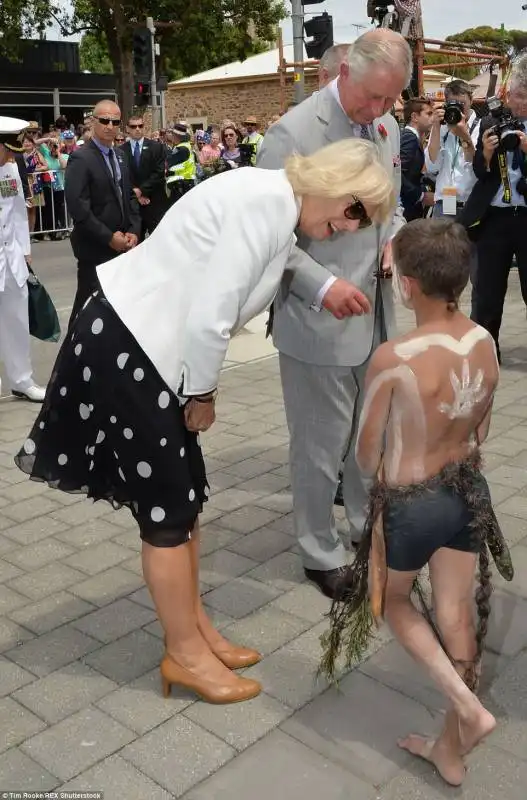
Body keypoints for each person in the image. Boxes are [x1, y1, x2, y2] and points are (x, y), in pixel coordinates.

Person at [15, 138, 394, 705]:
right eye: (356, 209)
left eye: (365, 220)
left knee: (184, 500)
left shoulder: (274, 201)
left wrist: (322, 287)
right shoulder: (269, 204)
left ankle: (194, 631)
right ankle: (183, 652)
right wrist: (204, 394)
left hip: (146, 347)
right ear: (334, 184)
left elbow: (274, 262)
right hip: (136, 346)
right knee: (168, 509)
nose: (352, 226)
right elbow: (213, 313)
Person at [321, 218, 511, 786]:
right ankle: (449, 748)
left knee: (394, 602)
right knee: (455, 617)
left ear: (406, 285)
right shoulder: (483, 340)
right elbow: (481, 430)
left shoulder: (394, 356)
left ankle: (468, 708)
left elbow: (364, 452)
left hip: (410, 502)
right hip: (465, 490)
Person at [257, 28, 409, 599]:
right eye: (371, 97)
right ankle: (318, 550)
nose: (379, 111)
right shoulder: (293, 134)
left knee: (368, 438)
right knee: (320, 445)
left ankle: (365, 525)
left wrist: (393, 240)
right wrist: (323, 287)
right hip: (317, 320)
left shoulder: (388, 129)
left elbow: (387, 208)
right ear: (343, 72)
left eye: (391, 99)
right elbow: (272, 238)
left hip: (376, 316)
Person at [460, 56, 527, 363]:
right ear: (508, 96)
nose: (522, 102)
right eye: (519, 95)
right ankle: (486, 352)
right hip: (494, 217)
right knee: (487, 291)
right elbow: (479, 172)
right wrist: (486, 155)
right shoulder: (491, 122)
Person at [64, 99, 141, 328]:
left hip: (122, 248)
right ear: (93, 122)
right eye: (104, 120)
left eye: (115, 121)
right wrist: (108, 238)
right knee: (86, 310)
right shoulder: (81, 157)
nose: (109, 125)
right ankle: (72, 358)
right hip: (94, 250)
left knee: (119, 313)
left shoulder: (120, 156)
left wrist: (134, 231)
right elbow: (78, 207)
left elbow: (129, 197)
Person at [0, 117, 46, 402]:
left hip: (11, 257)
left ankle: (22, 380)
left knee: (17, 319)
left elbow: (17, 211)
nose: (10, 156)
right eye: (6, 150)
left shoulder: (10, 170)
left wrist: (25, 251)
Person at [426, 80, 480, 219]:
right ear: (446, 103)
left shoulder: (481, 127)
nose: (459, 110)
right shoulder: (443, 127)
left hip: (470, 204)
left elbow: (478, 166)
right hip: (443, 205)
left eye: (462, 104)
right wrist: (436, 126)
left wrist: (464, 135)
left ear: (471, 100)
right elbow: (432, 166)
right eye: (453, 104)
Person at [119, 115, 168, 240]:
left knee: (159, 242)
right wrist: (135, 192)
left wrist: (142, 191)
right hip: (133, 207)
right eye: (133, 126)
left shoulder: (157, 147)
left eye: (140, 126)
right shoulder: (120, 151)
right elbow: (121, 176)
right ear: (127, 129)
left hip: (154, 203)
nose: (137, 129)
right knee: (135, 246)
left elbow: (159, 173)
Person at [400, 97, 435, 221]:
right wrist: (420, 195)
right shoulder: (409, 138)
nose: (433, 118)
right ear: (414, 117)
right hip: (406, 207)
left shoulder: (414, 138)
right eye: (429, 114)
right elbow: (397, 173)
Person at [166, 123, 197, 205]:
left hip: (181, 185)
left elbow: (169, 163)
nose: (171, 136)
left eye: (172, 134)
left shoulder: (181, 149)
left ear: (176, 136)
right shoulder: (186, 146)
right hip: (186, 183)